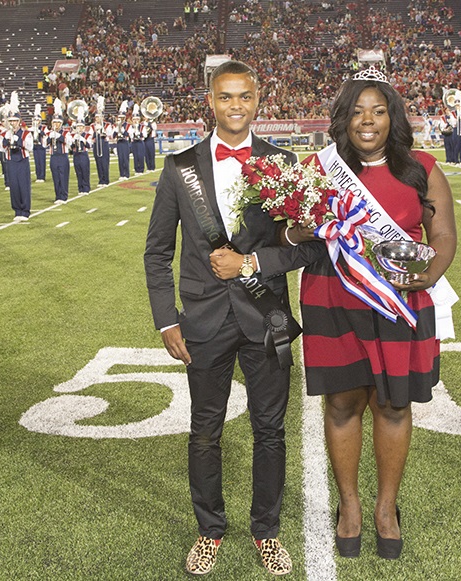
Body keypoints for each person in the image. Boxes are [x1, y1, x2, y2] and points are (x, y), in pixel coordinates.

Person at [144, 60, 324, 576]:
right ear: (210, 101)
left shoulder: (285, 163)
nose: (236, 106)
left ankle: (266, 532)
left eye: (245, 96)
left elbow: (304, 249)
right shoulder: (179, 168)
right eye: (226, 97)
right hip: (201, 321)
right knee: (204, 432)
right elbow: (157, 253)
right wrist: (165, 320)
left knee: (270, 432)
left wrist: (251, 263)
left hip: (265, 317)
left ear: (259, 98)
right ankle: (210, 530)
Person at [285, 67, 457, 560]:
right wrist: (302, 229)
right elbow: (285, 236)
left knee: (394, 404)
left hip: (399, 302)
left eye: (379, 111)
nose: (368, 121)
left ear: (392, 118)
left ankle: (386, 507)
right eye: (357, 111)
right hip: (332, 299)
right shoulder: (320, 170)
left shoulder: (420, 166)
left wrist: (429, 274)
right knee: (342, 404)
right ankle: (350, 506)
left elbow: (442, 236)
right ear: (343, 118)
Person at [1, 93, 33, 221]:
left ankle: (25, 210)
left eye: (14, 121)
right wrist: (6, 140)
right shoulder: (7, 133)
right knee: (14, 186)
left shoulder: (25, 133)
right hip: (11, 161)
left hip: (22, 161)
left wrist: (19, 140)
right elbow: (1, 148)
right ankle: (17, 210)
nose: (13, 123)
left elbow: (30, 146)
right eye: (11, 121)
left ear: (19, 121)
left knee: (23, 185)